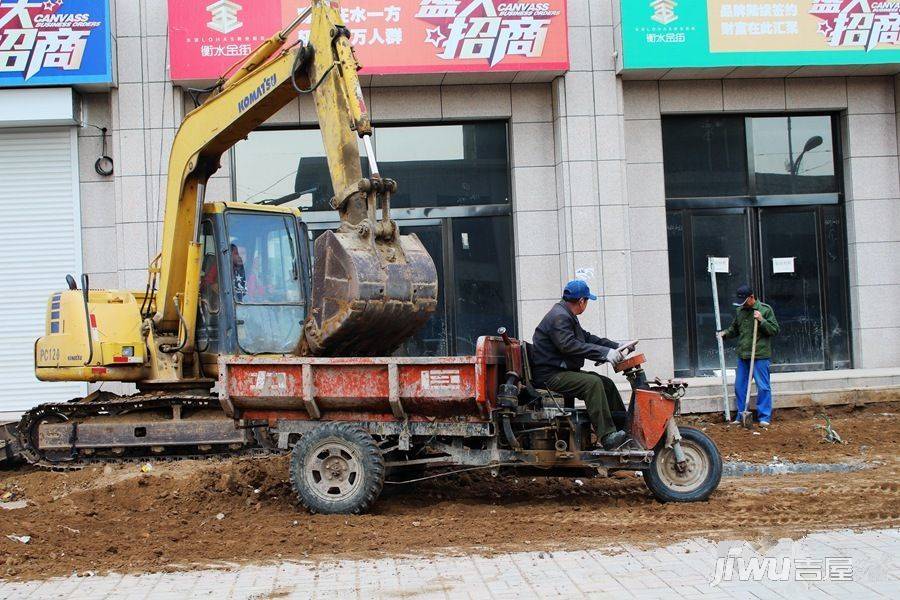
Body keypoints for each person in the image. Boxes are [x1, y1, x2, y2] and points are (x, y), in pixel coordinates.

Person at [531, 280, 629, 449]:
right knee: (593, 384)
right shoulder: (559, 317)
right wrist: (605, 354)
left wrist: (615, 346)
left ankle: (624, 429)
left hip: (559, 372)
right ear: (582, 301)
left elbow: (587, 338)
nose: (587, 304)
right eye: (587, 301)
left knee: (606, 384)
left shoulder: (566, 315)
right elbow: (569, 345)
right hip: (550, 376)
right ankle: (607, 436)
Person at [717, 284, 779, 427]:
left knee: (763, 386)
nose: (742, 305)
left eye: (744, 301)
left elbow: (775, 330)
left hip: (760, 355)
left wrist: (762, 320)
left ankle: (764, 417)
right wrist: (724, 334)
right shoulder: (740, 311)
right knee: (740, 386)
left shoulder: (765, 309)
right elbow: (734, 329)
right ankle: (741, 414)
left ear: (751, 297)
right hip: (744, 355)